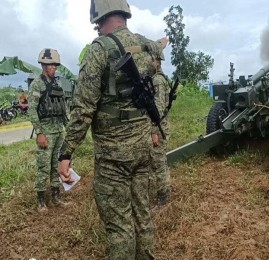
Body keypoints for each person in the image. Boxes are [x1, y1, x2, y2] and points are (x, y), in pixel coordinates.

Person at [57, 0, 168, 259]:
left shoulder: (99, 50)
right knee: (143, 216)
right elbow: (159, 53)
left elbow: (83, 108)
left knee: (120, 227)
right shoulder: (146, 45)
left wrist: (66, 153)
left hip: (112, 157)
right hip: (142, 149)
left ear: (98, 18)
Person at [28, 48, 68, 212]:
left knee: (55, 165)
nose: (54, 68)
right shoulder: (38, 83)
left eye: (55, 66)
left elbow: (63, 108)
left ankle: (56, 196)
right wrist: (40, 132)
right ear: (44, 65)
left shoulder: (56, 84)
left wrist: (68, 128)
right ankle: (41, 201)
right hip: (46, 131)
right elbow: (32, 109)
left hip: (59, 130)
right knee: (43, 166)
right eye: (52, 65)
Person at [150, 49, 171, 207]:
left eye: (151, 60)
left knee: (158, 162)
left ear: (157, 61)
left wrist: (154, 132)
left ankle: (163, 196)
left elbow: (158, 110)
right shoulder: (157, 78)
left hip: (159, 128)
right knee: (158, 161)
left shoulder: (157, 80)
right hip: (159, 127)